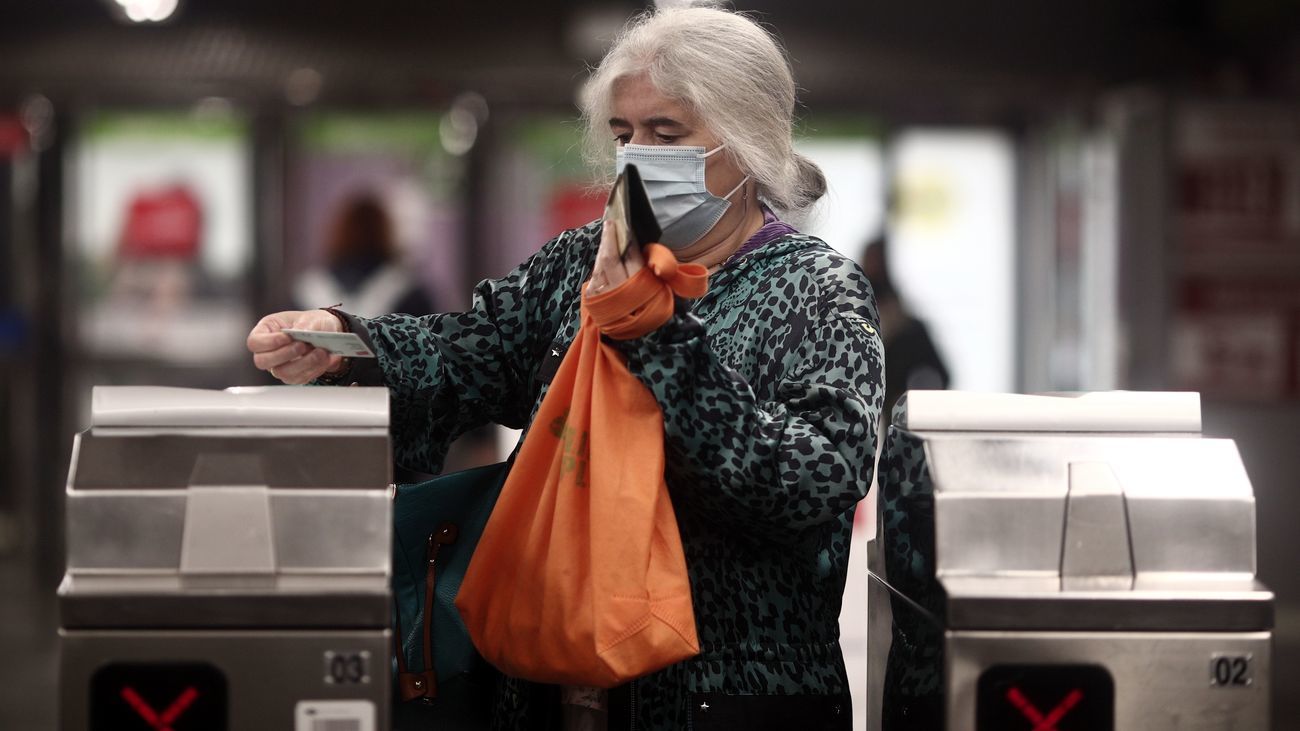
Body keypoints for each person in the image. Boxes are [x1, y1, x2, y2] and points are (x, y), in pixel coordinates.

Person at [247, 5, 884, 729]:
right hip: (555, 685)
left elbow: (815, 482)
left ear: (748, 141)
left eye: (667, 133)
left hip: (727, 697)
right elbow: (475, 351)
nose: (639, 155)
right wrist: (345, 342)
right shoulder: (582, 264)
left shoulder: (813, 289)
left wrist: (658, 334)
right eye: (624, 134)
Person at [860, 234, 949, 426]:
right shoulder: (854, 312)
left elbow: (942, 373)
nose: (872, 266)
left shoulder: (908, 326)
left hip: (896, 412)